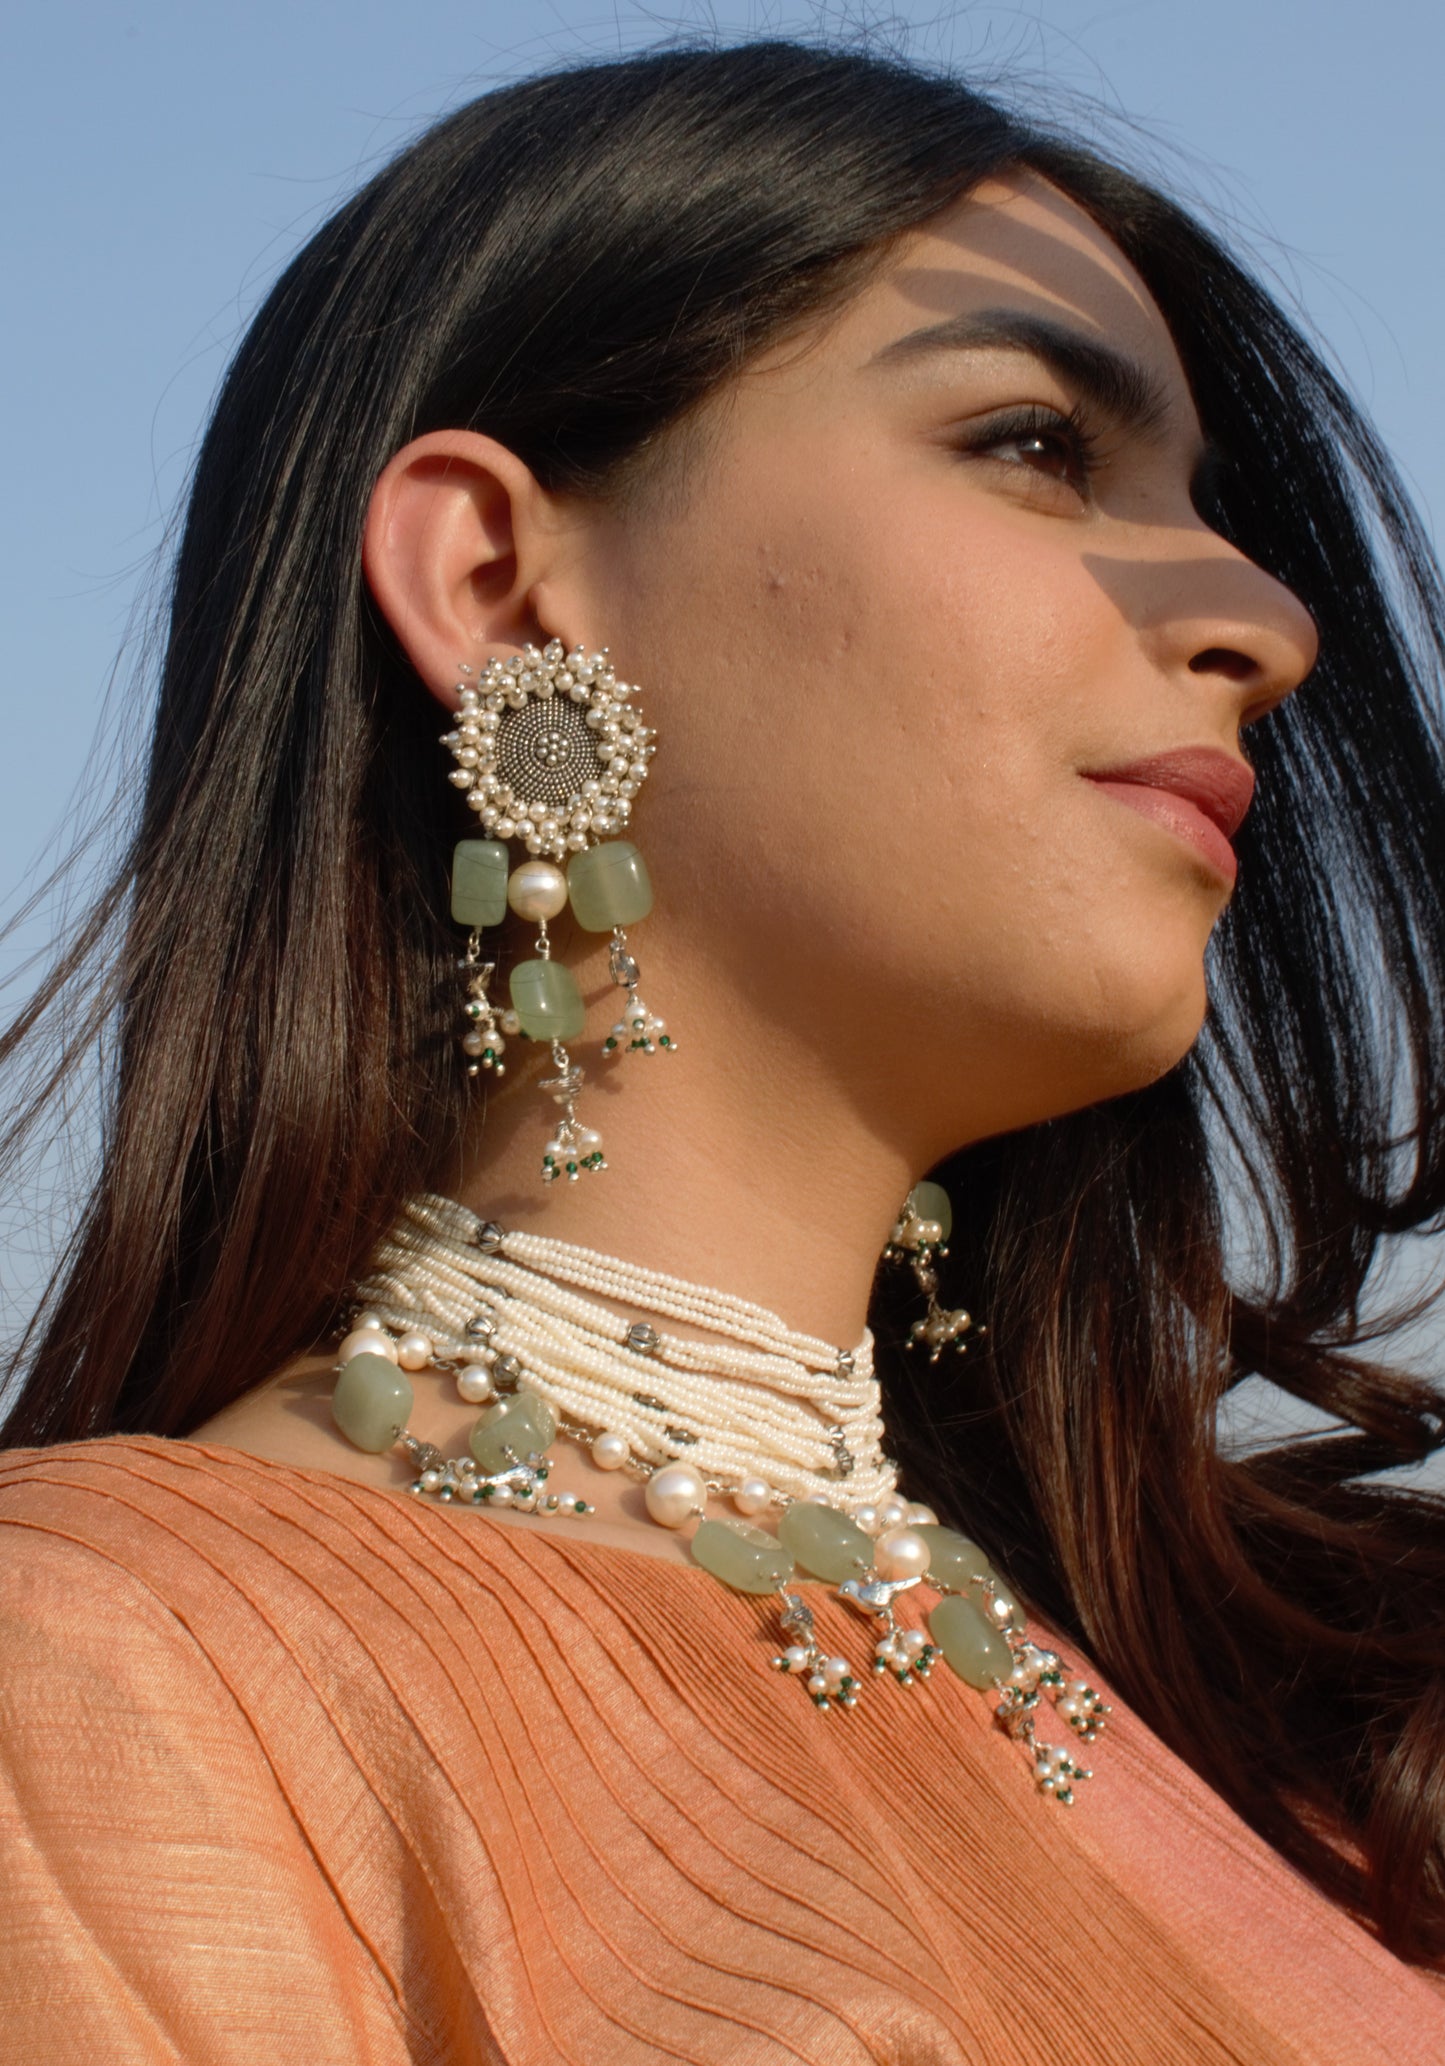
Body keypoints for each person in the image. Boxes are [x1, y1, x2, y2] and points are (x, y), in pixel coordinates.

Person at [2, 37, 1443, 2063]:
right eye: (1037, 444)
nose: (1267, 620)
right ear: (496, 583)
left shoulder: (1312, 1731)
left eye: (1203, 501)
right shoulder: (122, 1682)